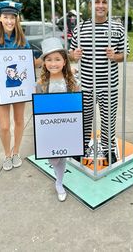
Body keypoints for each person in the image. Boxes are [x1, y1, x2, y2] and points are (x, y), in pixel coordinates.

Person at [69, 0, 130, 164]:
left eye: (104, 2)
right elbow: (71, 53)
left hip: (109, 85)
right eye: (97, 1)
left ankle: (109, 149)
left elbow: (125, 53)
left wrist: (115, 56)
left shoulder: (117, 27)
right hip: (86, 84)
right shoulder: (80, 28)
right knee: (85, 118)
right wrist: (74, 55)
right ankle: (81, 146)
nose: (100, 5)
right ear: (90, 5)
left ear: (108, 5)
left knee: (108, 119)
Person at [0, 0, 32, 171]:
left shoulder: (22, 40)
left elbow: (30, 63)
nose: (10, 21)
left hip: (19, 86)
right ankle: (7, 154)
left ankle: (16, 152)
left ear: (17, 19)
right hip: (1, 88)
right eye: (6, 17)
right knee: (4, 126)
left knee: (19, 121)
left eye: (13, 17)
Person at [36, 37, 80, 201]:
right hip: (50, 127)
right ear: (44, 63)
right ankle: (58, 176)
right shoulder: (41, 84)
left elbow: (77, 107)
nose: (53, 63)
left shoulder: (72, 83)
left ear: (64, 62)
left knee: (64, 153)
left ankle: (59, 182)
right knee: (54, 159)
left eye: (57, 59)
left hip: (67, 126)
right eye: (49, 59)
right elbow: (39, 109)